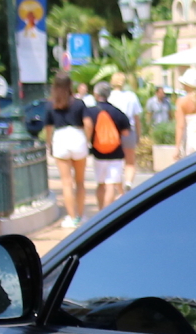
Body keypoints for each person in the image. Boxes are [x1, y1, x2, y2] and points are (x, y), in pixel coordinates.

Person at [43, 76, 89, 228]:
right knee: (80, 182)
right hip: (77, 137)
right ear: (70, 85)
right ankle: (81, 216)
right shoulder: (79, 103)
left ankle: (71, 217)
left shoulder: (51, 104)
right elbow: (88, 124)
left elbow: (48, 128)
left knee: (66, 182)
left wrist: (49, 143)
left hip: (61, 138)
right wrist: (87, 140)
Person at [86, 83, 133, 211]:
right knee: (111, 184)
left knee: (101, 184)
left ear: (96, 94)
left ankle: (100, 210)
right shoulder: (117, 112)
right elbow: (126, 132)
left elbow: (87, 127)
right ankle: (107, 212)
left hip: (98, 152)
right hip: (116, 153)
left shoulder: (90, 111)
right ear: (109, 94)